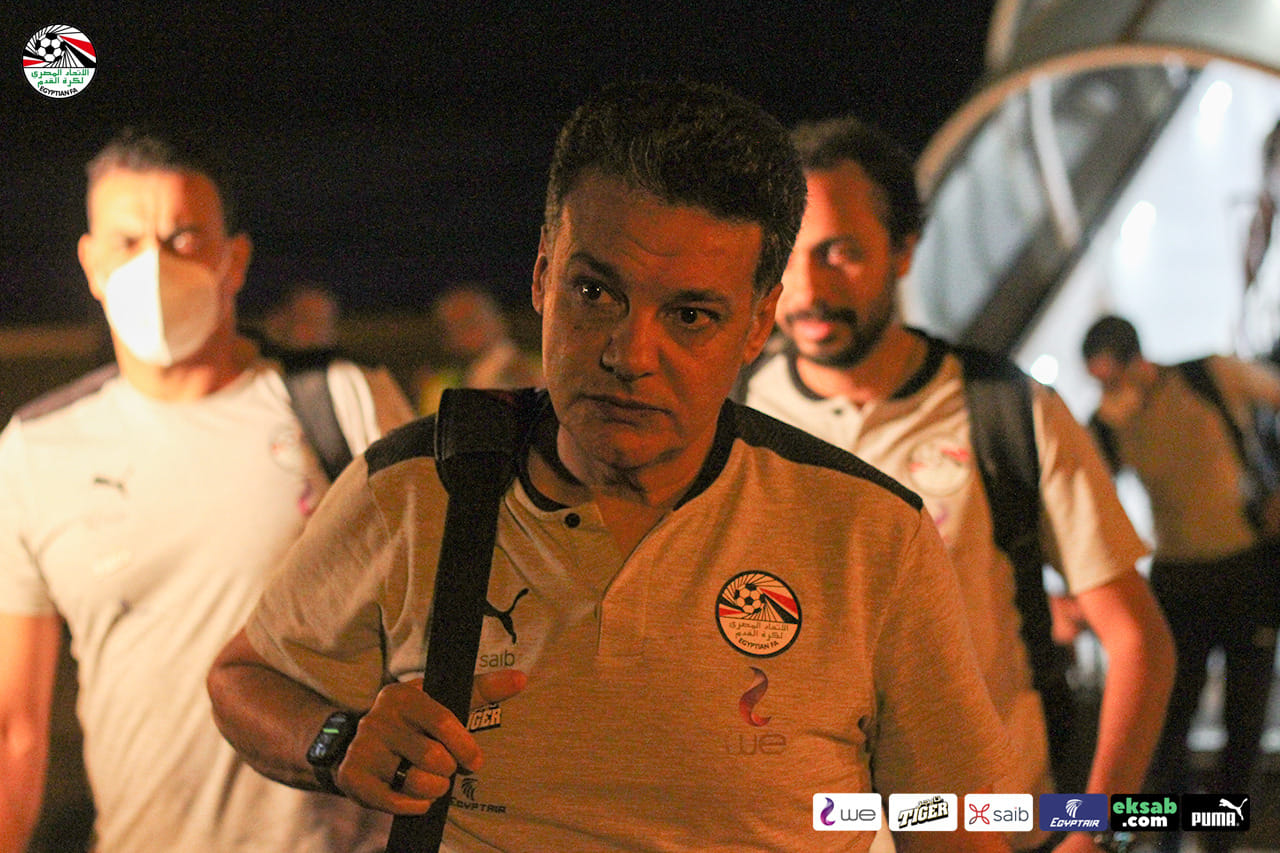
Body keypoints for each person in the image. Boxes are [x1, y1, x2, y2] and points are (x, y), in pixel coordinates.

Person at [208, 79, 1015, 853]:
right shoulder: (418, 487)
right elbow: (246, 677)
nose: (630, 354)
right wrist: (337, 740)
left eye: (690, 314)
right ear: (541, 274)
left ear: (758, 322)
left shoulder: (870, 535)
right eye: (595, 293)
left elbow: (952, 818)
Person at [737, 116, 1174, 853]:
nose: (808, 288)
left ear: (904, 251)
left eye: (842, 252)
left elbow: (1138, 638)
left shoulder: (1006, 410)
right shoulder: (731, 416)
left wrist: (1093, 832)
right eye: (789, 255)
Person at [0, 128, 414, 852]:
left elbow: (443, 634)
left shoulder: (341, 403)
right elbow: (14, 727)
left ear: (234, 260)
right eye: (128, 242)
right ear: (92, 264)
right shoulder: (37, 451)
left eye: (182, 238)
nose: (154, 265)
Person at [1082, 315, 1280, 853]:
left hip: (1247, 566)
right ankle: (1170, 829)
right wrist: (1101, 429)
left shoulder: (1208, 376)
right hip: (1178, 577)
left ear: (1137, 361)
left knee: (1245, 718)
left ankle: (1221, 835)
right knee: (1168, 718)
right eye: (1098, 382)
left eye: (1112, 377)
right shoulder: (1112, 422)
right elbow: (1084, 492)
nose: (1108, 390)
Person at [414, 283, 542, 415]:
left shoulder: (541, 367)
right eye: (456, 328)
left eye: (472, 321)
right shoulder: (439, 387)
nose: (467, 333)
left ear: (499, 322)